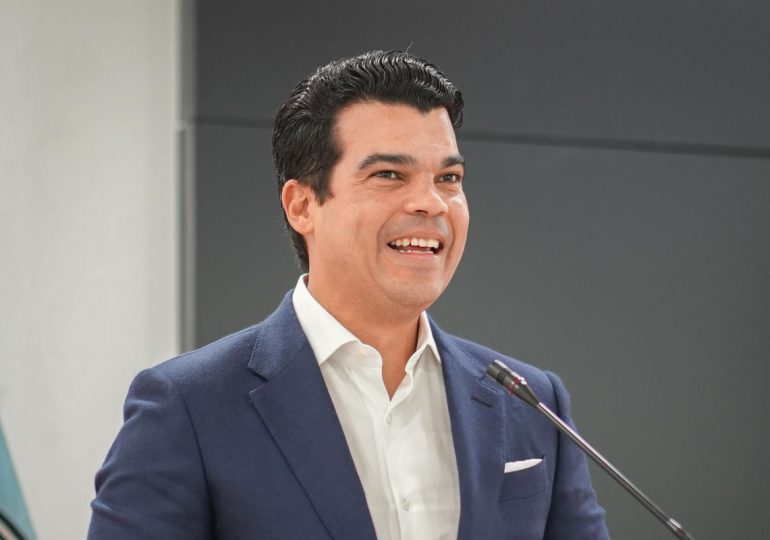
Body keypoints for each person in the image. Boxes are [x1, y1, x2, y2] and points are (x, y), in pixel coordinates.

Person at [88, 50, 609, 539]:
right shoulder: (188, 407)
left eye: (449, 177)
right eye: (389, 174)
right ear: (302, 206)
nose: (432, 203)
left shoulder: (531, 402)